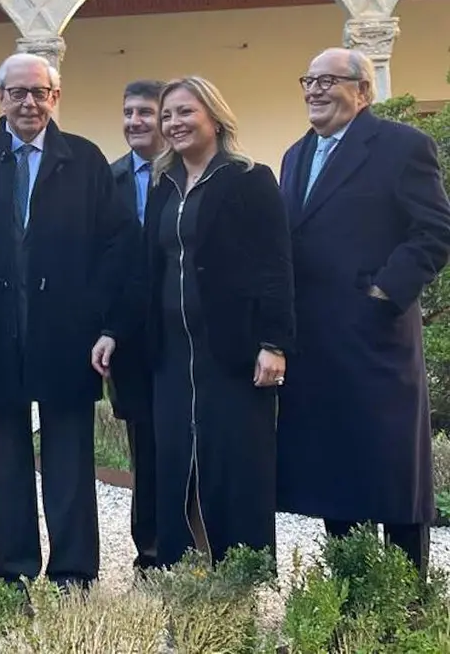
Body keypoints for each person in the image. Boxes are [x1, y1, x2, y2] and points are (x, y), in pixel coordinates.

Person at [0, 53, 136, 638]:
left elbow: (116, 250)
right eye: (18, 92)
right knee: (4, 469)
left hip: (67, 340)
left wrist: (107, 327)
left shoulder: (86, 161)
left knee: (70, 466)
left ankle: (74, 580)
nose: (29, 103)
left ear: (57, 97)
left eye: (40, 93)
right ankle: (13, 584)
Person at [96, 76, 292, 569]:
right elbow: (145, 270)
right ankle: (185, 575)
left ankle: (238, 575)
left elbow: (276, 266)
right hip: (171, 356)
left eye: (185, 113)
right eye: (168, 116)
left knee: (231, 466)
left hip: (232, 353)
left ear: (214, 118)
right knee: (176, 464)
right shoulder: (164, 186)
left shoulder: (250, 179)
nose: (173, 124)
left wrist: (275, 342)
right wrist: (114, 330)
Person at [277, 48, 450, 577]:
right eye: (309, 80)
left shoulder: (402, 146)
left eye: (329, 80)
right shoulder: (295, 155)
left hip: (377, 341)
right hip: (316, 342)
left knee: (393, 472)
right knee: (336, 473)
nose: (315, 90)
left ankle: (405, 595)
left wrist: (384, 292)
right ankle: (349, 592)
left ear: (363, 90)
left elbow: (435, 230)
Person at [106, 79, 165, 574]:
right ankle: (148, 555)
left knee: (190, 447)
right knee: (144, 450)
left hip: (188, 337)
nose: (134, 122)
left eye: (145, 112)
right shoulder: (110, 180)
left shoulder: (193, 174)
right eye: (128, 113)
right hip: (133, 342)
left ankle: (195, 554)